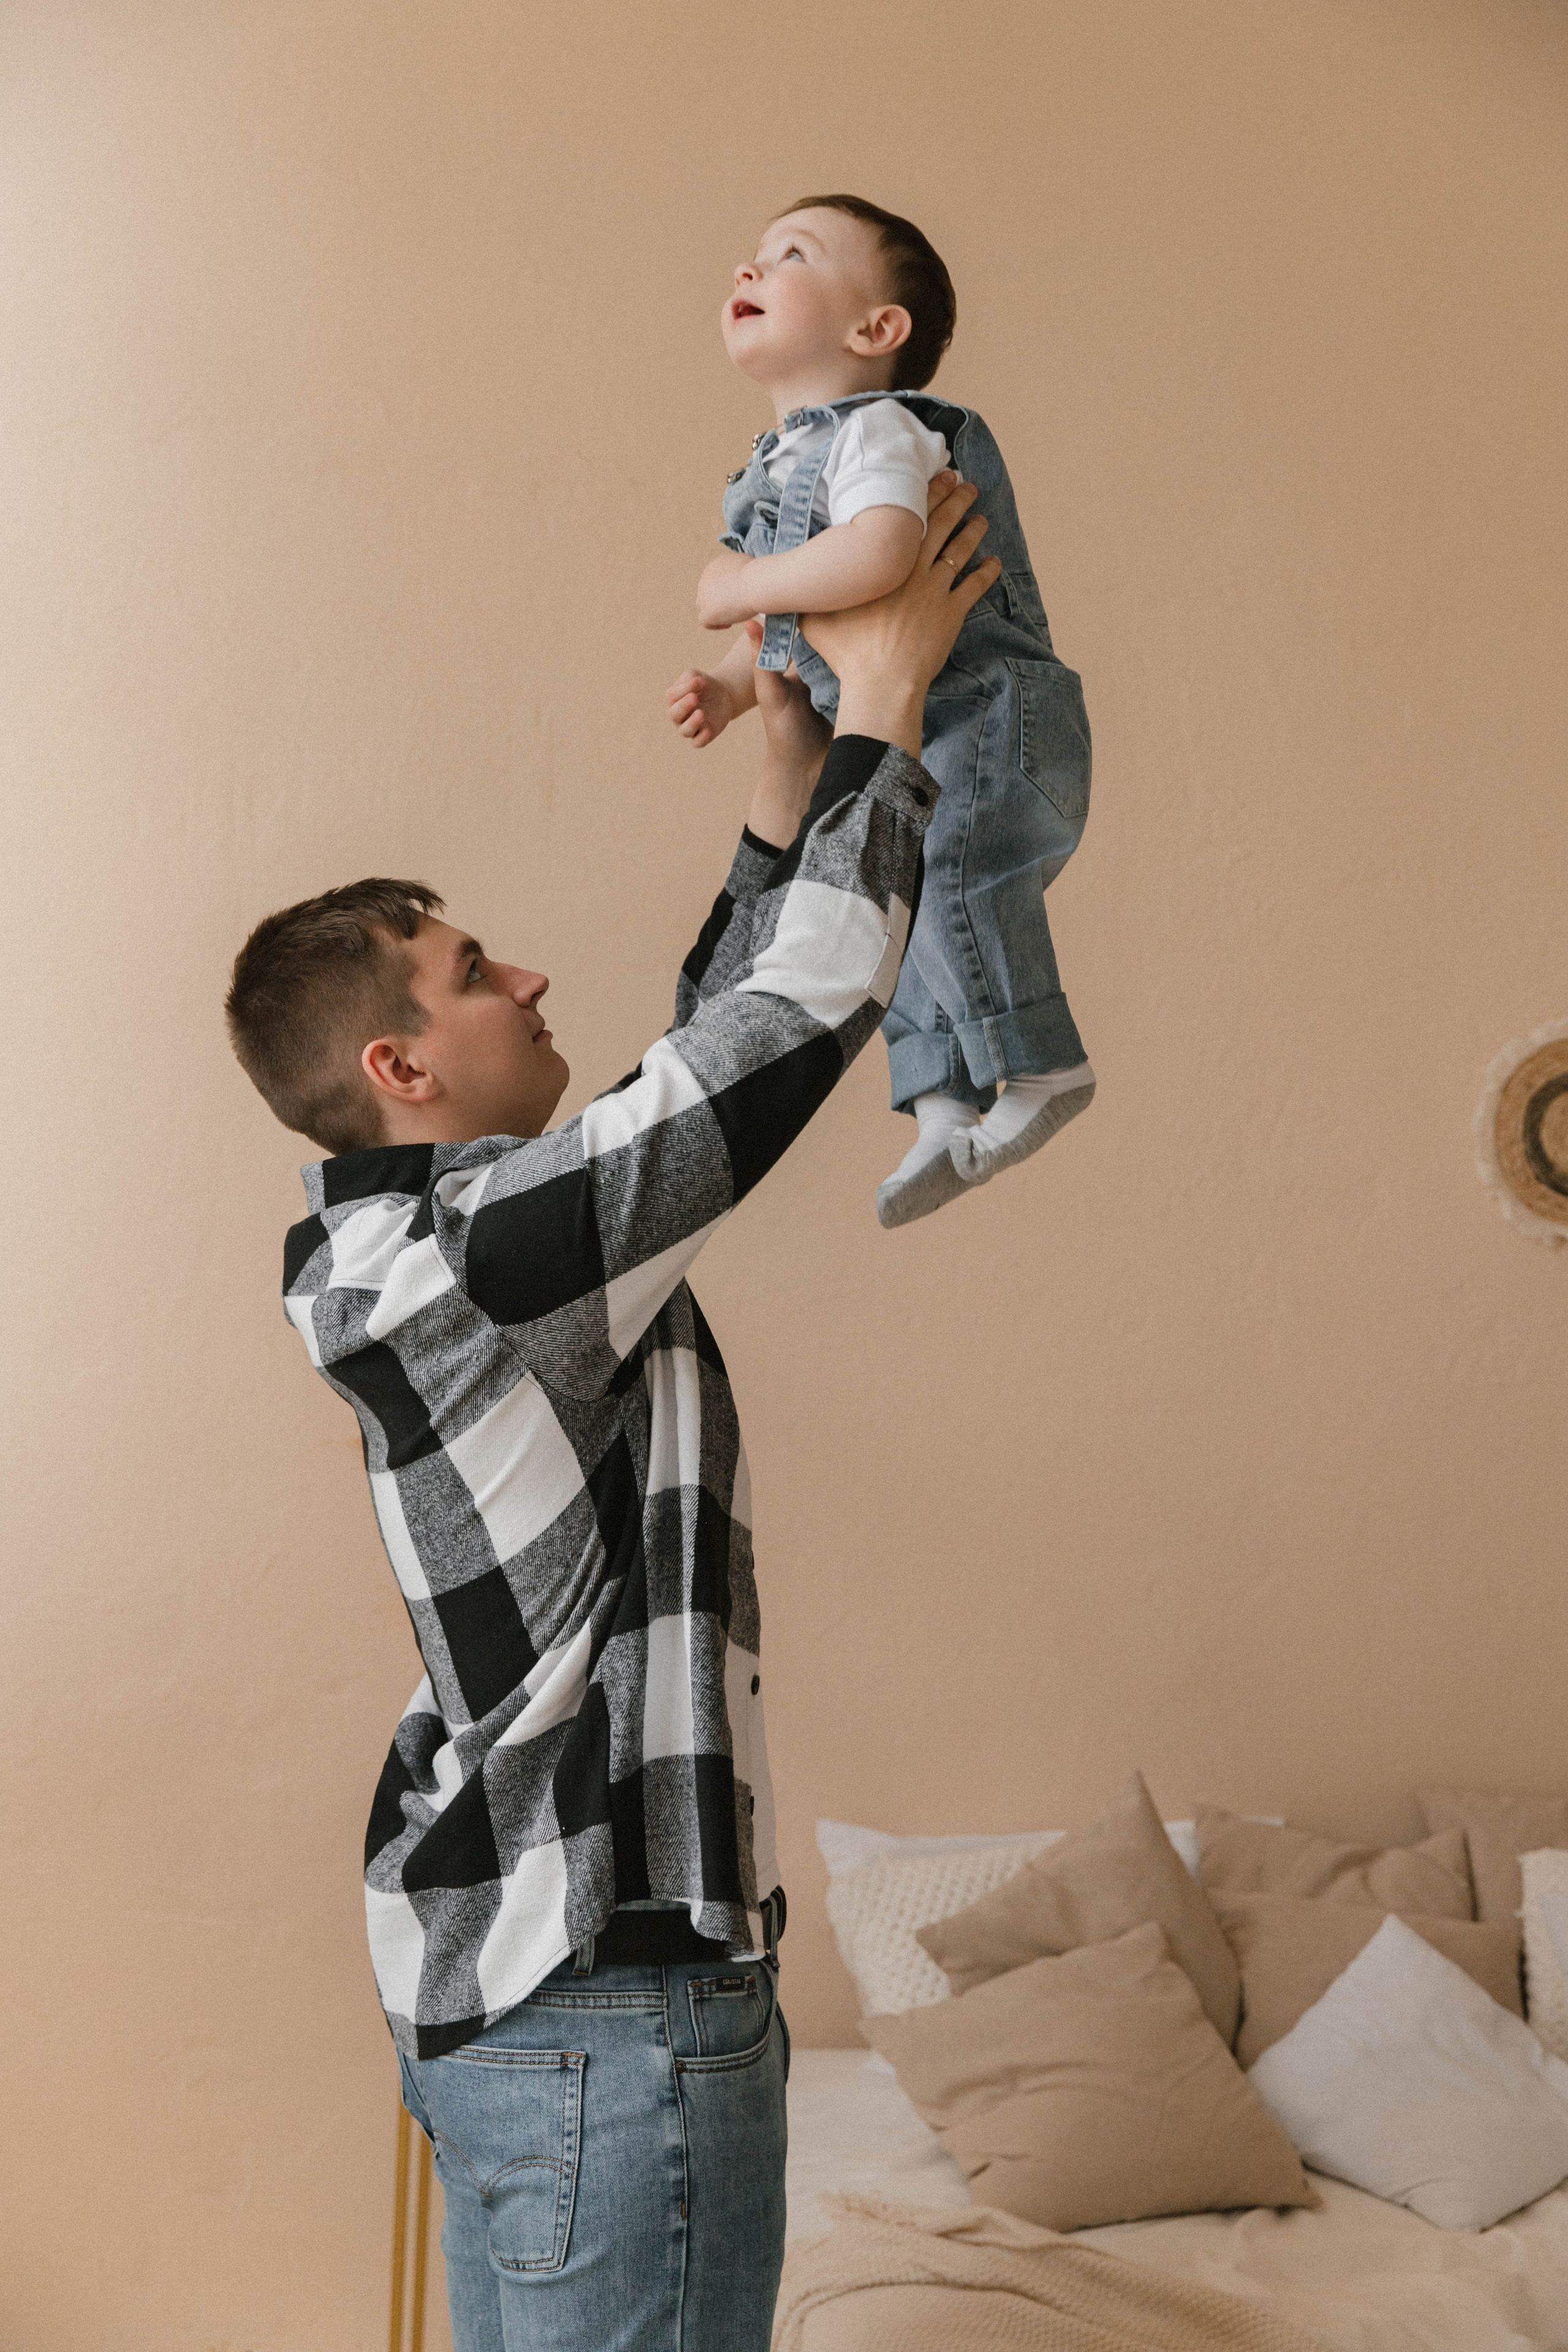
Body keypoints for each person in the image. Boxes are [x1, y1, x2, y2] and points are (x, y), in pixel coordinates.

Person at [224, 478, 997, 2352]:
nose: (527, 976)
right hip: (616, 2012)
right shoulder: (492, 1259)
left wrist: (783, 793)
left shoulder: (419, 1252)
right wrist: (888, 707)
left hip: (520, 2016)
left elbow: (684, 1089)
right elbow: (786, 1028)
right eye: (474, 974)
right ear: (402, 1063)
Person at [667, 194, 1096, 1228]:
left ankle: (1045, 1064)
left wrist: (738, 582)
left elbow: (877, 556)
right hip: (923, 735)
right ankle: (943, 1105)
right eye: (753, 255)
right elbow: (800, 608)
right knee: (894, 908)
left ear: (875, 329)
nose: (748, 270)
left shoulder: (880, 431)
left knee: (951, 875)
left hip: (988, 720)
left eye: (791, 255)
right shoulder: (776, 468)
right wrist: (732, 685)